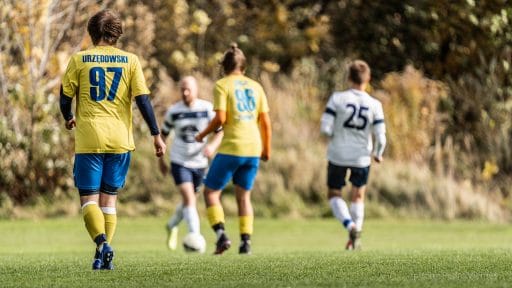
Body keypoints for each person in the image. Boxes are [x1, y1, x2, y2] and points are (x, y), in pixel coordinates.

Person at [59, 9, 166, 270]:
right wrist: (156, 134)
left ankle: (103, 244)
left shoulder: (80, 60)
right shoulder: (131, 61)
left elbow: (65, 97)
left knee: (89, 201)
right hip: (120, 140)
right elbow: (143, 100)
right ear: (117, 33)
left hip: (90, 138)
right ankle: (101, 257)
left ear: (91, 32)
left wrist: (68, 116)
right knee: (109, 201)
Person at [195, 43, 272, 255]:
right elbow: (265, 122)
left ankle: (221, 235)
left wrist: (202, 134)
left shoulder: (222, 85)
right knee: (244, 197)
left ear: (224, 66)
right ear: (244, 67)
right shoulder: (256, 87)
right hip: (253, 148)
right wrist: (267, 149)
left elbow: (220, 118)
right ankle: (245, 242)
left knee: (211, 192)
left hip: (231, 146)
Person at [320, 60, 386, 250]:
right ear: (368, 79)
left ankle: (351, 226)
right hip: (362, 156)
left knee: (334, 194)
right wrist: (378, 153)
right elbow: (381, 136)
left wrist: (335, 136)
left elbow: (325, 128)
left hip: (338, 154)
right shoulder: (375, 104)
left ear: (349, 77)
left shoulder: (337, 99)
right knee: (358, 197)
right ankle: (356, 236)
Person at [159, 76, 223, 250]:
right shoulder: (174, 111)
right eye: (182, 89)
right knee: (188, 198)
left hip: (200, 162)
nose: (185, 93)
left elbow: (219, 131)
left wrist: (212, 146)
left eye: (188, 89)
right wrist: (161, 160)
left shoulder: (207, 109)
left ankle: (172, 224)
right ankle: (195, 237)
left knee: (190, 201)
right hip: (179, 160)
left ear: (196, 90)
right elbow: (162, 135)